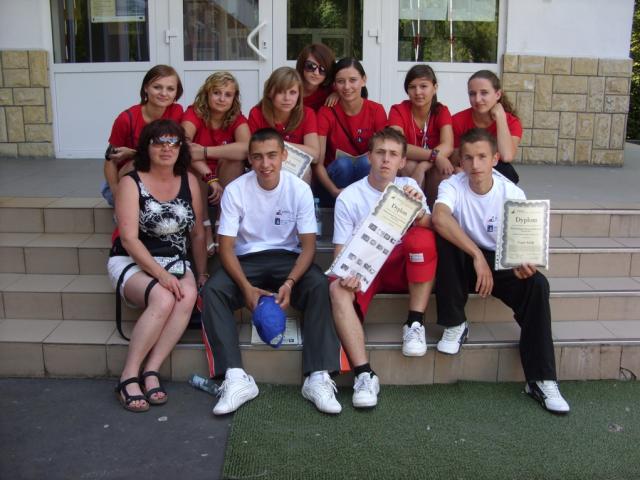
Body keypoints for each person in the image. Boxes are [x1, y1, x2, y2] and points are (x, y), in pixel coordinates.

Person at [200, 128, 342, 416]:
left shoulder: (299, 189)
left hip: (287, 258)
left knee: (318, 285)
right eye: (258, 157)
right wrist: (245, 287)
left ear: (284, 156)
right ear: (249, 159)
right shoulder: (236, 190)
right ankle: (235, 376)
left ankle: (318, 376)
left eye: (272, 155)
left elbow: (309, 247)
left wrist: (290, 282)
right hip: (246, 259)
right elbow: (226, 248)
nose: (265, 164)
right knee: (213, 290)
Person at [432, 128, 569, 414]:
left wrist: (524, 261)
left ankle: (541, 379)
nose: (475, 164)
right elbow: (440, 218)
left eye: (482, 157)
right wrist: (476, 256)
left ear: (495, 159)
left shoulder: (512, 192)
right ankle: (455, 323)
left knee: (537, 285)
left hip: (499, 260)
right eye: (468, 158)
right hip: (464, 262)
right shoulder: (452, 185)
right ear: (460, 161)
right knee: (445, 239)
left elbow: (523, 241)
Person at [330, 127, 437, 409]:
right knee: (337, 289)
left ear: (402, 161)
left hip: (401, 265)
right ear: (369, 157)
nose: (386, 160)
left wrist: (418, 211)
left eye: (393, 154)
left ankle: (414, 322)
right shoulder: (349, 196)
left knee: (422, 239)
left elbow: (431, 226)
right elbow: (340, 251)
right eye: (380, 153)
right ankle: (364, 374)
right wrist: (346, 274)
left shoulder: (408, 187)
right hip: (366, 267)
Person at [108, 119, 207, 412]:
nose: (167, 148)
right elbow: (129, 240)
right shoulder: (131, 182)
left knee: (187, 294)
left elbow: (197, 233)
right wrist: (161, 275)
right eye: (159, 142)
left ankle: (151, 370)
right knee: (163, 298)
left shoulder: (189, 180)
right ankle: (128, 376)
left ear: (180, 148)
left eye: (173, 142)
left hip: (175, 259)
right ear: (146, 147)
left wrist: (201, 272)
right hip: (133, 260)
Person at [181, 71, 250, 254]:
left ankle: (222, 222)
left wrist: (205, 151)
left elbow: (247, 148)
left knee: (234, 160)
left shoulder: (236, 117)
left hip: (225, 174)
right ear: (207, 93)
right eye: (216, 93)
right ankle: (204, 225)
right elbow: (183, 145)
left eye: (228, 94)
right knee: (191, 163)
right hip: (200, 173)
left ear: (234, 98)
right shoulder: (194, 112)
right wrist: (210, 177)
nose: (222, 99)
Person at [103, 65, 184, 206]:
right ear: (146, 88)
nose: (164, 93)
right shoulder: (126, 118)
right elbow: (109, 160)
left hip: (159, 176)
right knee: (138, 162)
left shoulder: (176, 112)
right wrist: (116, 193)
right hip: (125, 178)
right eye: (157, 87)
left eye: (170, 89)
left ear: (177, 92)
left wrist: (133, 153)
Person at [314, 58, 387, 206]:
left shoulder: (376, 110)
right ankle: (340, 206)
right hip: (336, 180)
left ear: (363, 80)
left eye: (353, 80)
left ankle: (364, 206)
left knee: (367, 162)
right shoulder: (326, 112)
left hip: (366, 175)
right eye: (341, 81)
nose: (347, 87)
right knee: (344, 165)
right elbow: (318, 163)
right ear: (334, 85)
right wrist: (334, 191)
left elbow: (383, 153)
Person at [388, 64, 454, 206]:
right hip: (407, 166)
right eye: (412, 87)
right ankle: (412, 212)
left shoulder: (441, 111)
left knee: (444, 170)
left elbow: (448, 145)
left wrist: (423, 165)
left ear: (434, 88)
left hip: (431, 166)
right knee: (408, 165)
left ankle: (434, 212)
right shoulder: (398, 110)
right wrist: (435, 156)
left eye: (423, 86)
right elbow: (398, 145)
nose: (418, 92)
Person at [248, 67, 319, 182]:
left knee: (305, 169)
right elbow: (250, 149)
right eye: (280, 92)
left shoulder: (307, 114)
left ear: (299, 94)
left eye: (293, 92)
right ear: (270, 93)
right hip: (266, 164)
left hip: (294, 168)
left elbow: (315, 155)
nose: (287, 98)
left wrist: (279, 144)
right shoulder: (257, 113)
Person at [451, 70, 521, 184]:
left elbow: (507, 156)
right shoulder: (457, 120)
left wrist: (500, 118)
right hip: (465, 168)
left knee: (507, 172)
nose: (477, 99)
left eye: (484, 93)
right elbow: (453, 159)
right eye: (472, 94)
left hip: (493, 171)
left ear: (497, 94)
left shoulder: (511, 122)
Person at [295, 43, 338, 112]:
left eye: (323, 69)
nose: (316, 73)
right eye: (310, 66)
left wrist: (338, 94)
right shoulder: (289, 86)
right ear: (302, 65)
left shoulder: (330, 90)